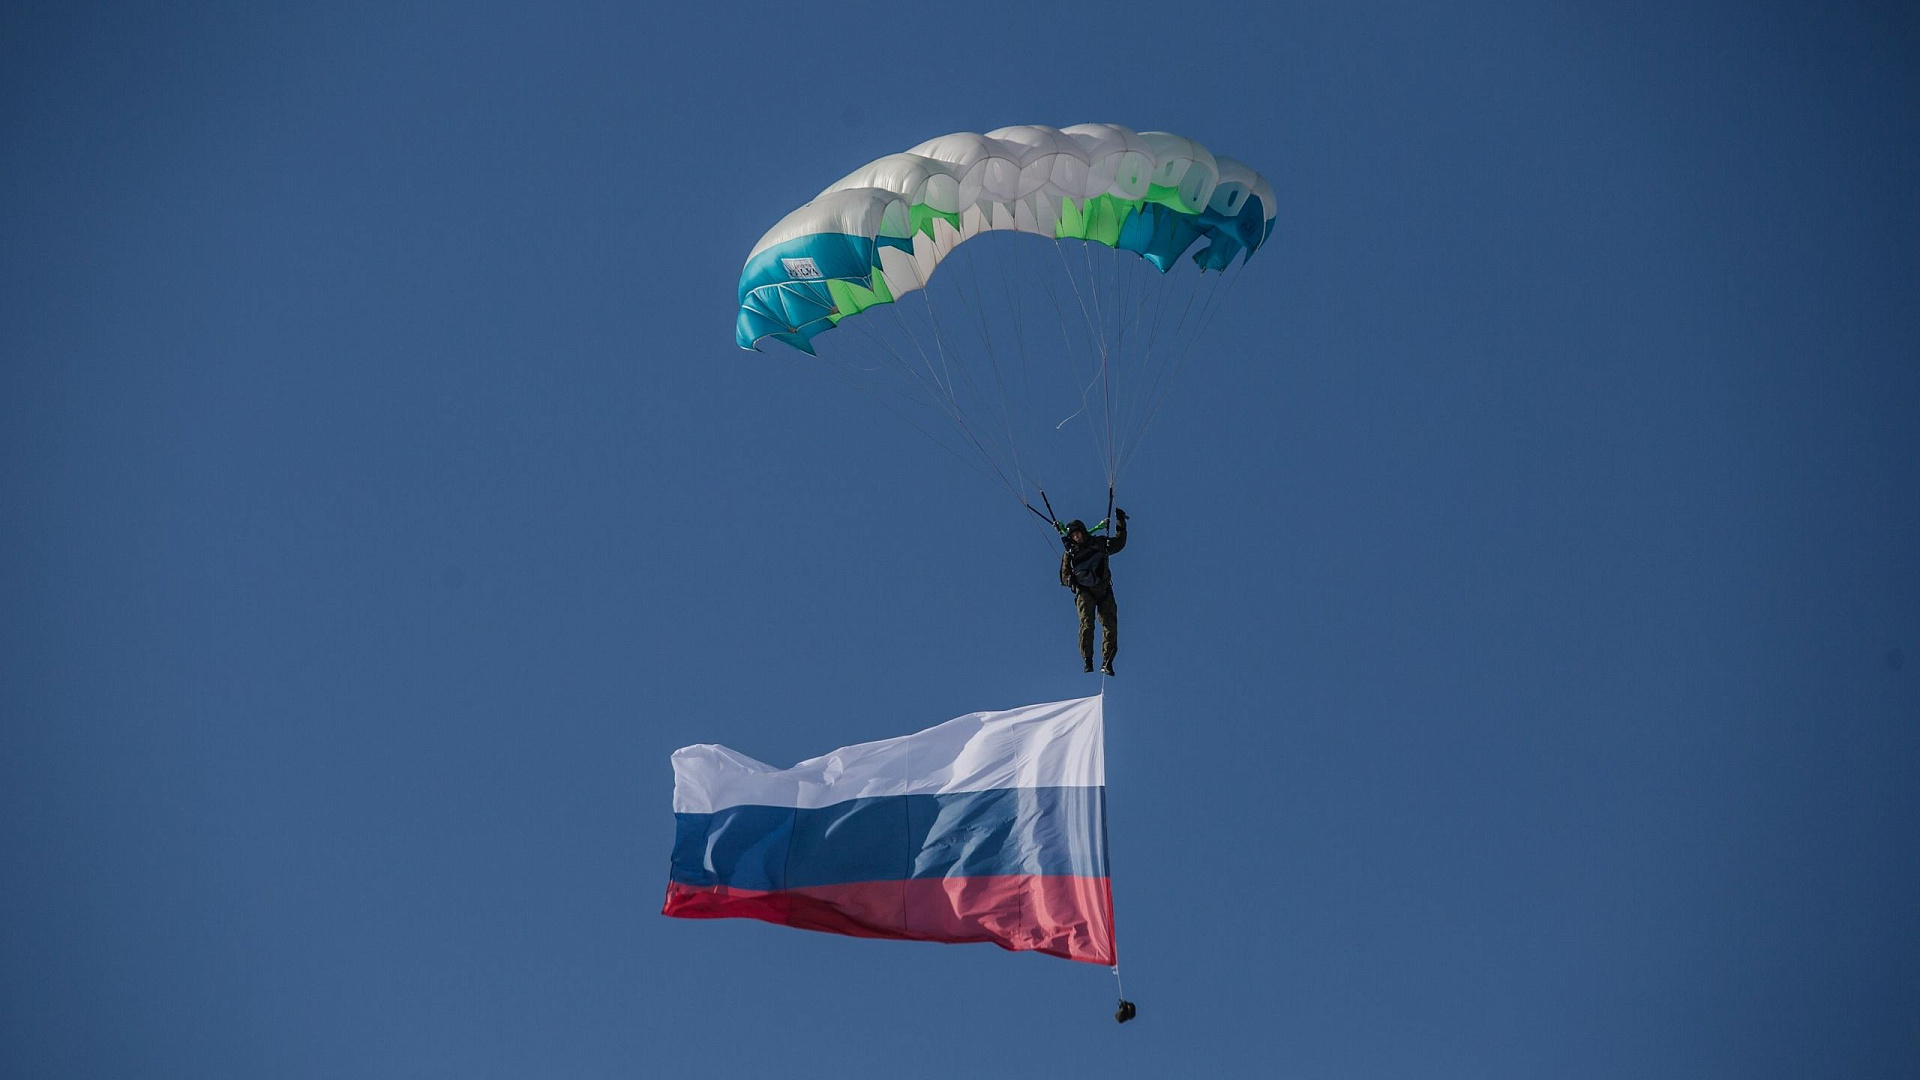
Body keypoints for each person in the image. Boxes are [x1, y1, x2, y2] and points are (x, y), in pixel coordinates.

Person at [1058, 508, 1128, 675]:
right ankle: (1088, 659)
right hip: (1084, 593)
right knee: (1087, 624)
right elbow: (1064, 576)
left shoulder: (1099, 543)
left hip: (1104, 590)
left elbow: (1119, 543)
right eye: (1073, 536)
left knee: (1110, 625)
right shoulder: (1070, 554)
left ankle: (1107, 661)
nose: (1077, 537)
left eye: (1079, 534)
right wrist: (1072, 582)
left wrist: (1120, 522)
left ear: (1083, 532)